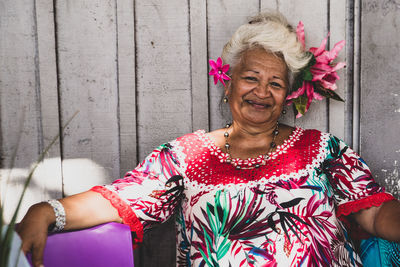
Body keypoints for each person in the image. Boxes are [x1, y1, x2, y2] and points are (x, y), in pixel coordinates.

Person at [17, 11, 400, 267]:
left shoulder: (323, 150)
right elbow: (122, 200)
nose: (261, 92)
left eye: (275, 83)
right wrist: (48, 211)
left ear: (287, 97)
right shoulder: (185, 156)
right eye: (251, 78)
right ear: (229, 84)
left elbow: (372, 211)